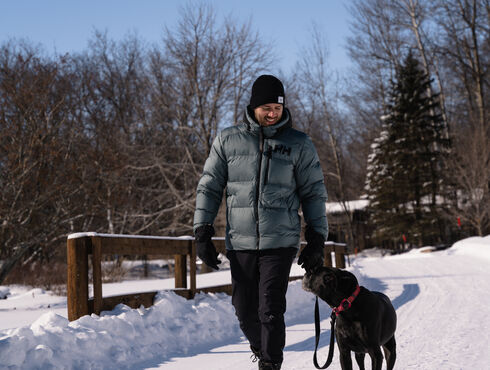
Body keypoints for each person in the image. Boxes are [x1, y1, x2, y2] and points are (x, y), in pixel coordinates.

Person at [193, 75, 328, 370]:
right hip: (240, 241)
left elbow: (314, 193)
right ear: (253, 106)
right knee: (244, 310)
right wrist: (202, 231)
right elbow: (209, 186)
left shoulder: (298, 144)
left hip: (280, 241)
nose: (272, 114)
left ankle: (269, 364)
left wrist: (317, 238)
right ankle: (262, 349)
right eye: (266, 107)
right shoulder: (228, 140)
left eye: (277, 108)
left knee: (270, 308)